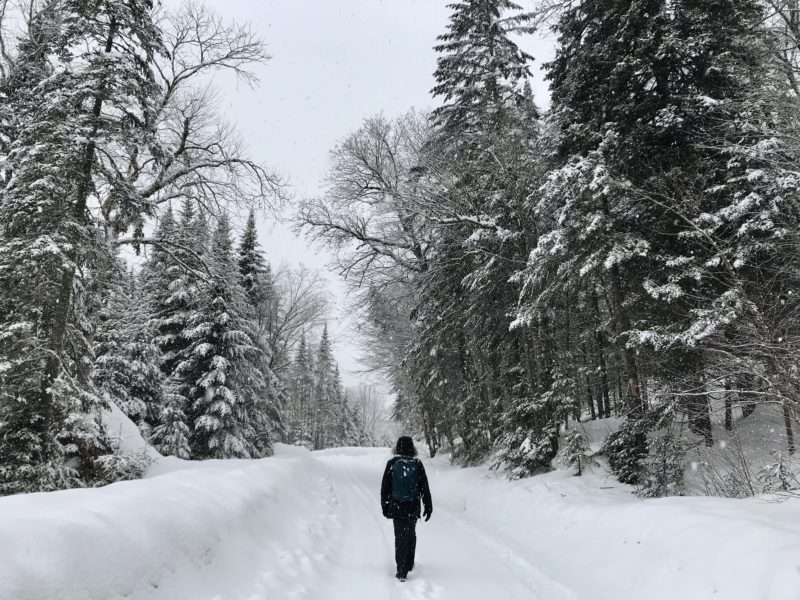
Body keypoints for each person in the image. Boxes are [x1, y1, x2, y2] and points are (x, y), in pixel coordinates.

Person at [380, 436, 432, 581]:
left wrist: (385, 506)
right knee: (410, 534)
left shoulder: (392, 463)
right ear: (412, 448)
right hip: (413, 506)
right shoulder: (417, 464)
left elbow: (385, 488)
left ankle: (401, 570)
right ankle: (408, 563)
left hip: (397, 506)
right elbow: (424, 488)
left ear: (397, 448)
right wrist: (428, 506)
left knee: (400, 536)